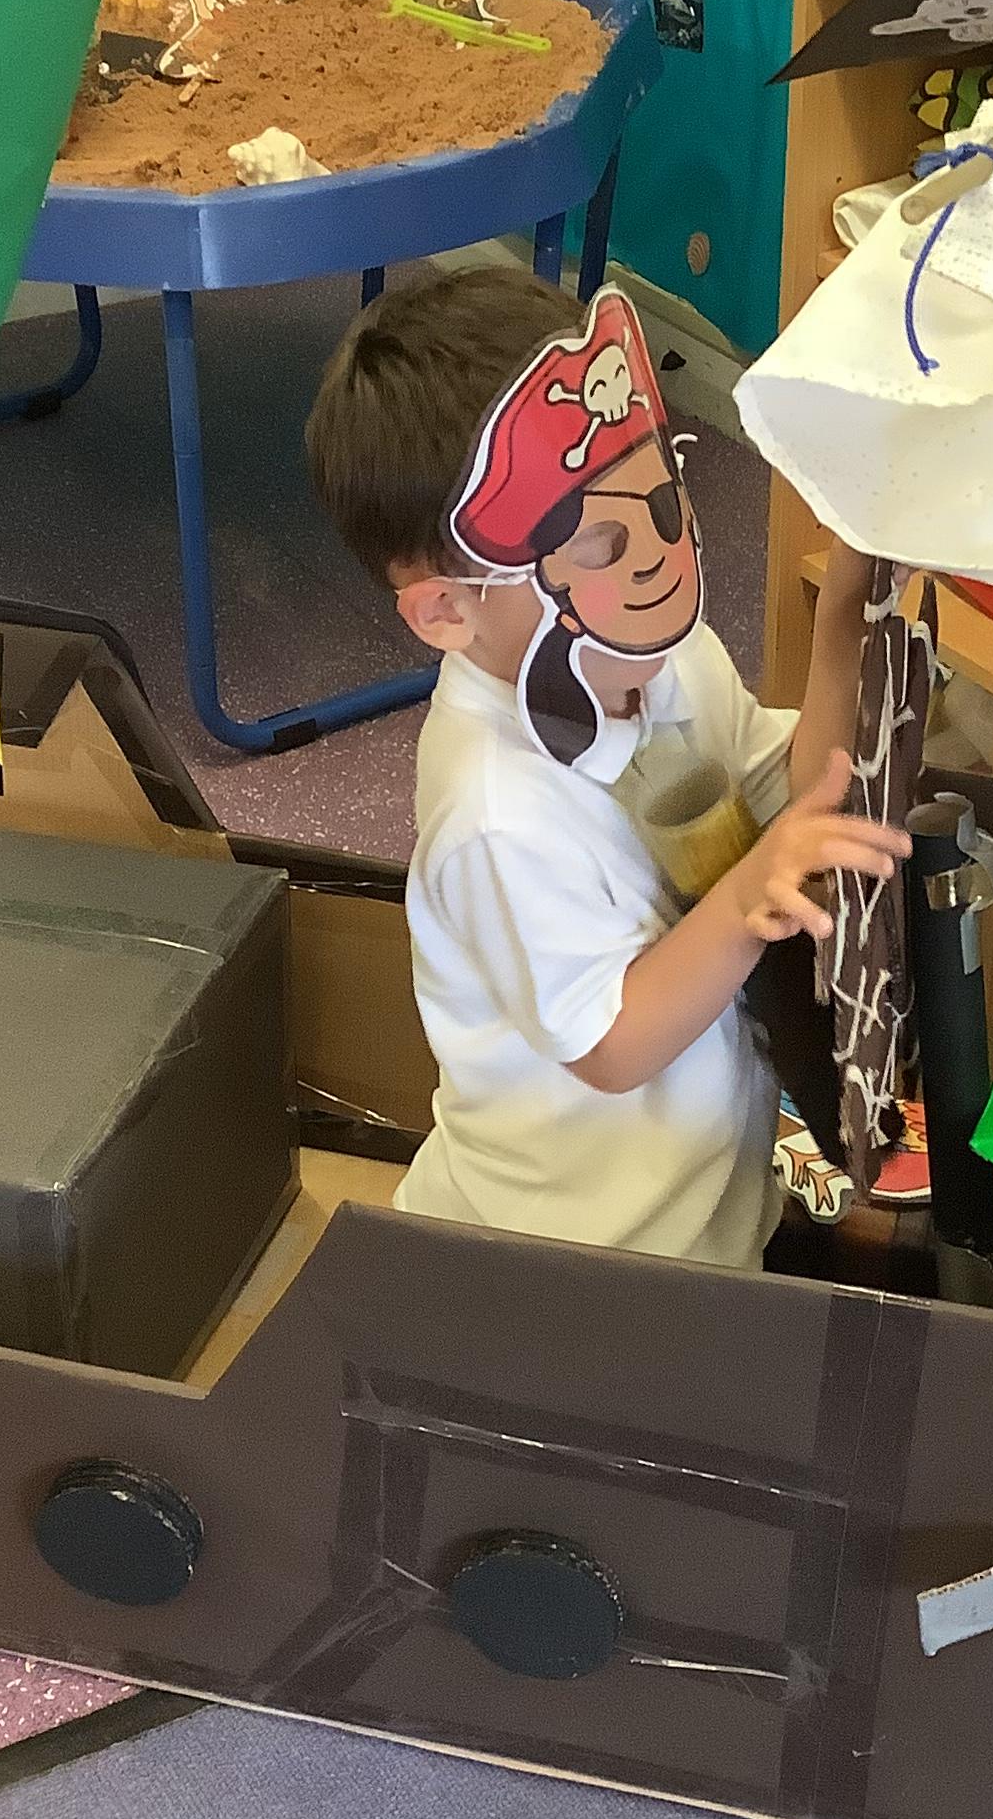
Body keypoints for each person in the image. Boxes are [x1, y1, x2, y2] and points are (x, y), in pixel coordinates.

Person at [304, 266, 901, 1271]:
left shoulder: (666, 658)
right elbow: (613, 1044)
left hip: (707, 1223)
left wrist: (844, 615)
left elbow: (794, 797)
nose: (658, 558)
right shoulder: (496, 813)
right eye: (602, 543)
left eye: (664, 500)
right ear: (449, 610)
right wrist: (751, 895)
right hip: (564, 1268)